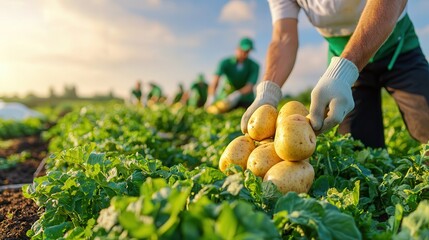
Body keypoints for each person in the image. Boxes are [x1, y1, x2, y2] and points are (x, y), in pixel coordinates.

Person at [241, 0, 429, 149]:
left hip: (399, 51)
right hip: (343, 65)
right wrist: (269, 91)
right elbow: (283, 37)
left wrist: (345, 70)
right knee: (358, 149)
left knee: (425, 121)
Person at [206, 37, 260, 111]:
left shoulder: (254, 66)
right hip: (226, 98)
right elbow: (215, 81)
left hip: (245, 100)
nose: (245, 53)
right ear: (237, 48)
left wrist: (237, 94)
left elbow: (250, 86)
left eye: (247, 51)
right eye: (243, 50)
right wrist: (211, 96)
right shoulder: (225, 63)